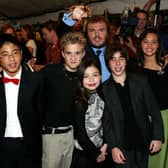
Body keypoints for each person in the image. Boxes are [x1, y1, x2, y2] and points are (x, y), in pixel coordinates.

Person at [102, 46, 164, 168]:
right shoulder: (104, 90)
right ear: (108, 64)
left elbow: (154, 110)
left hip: (144, 143)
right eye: (113, 59)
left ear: (126, 61)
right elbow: (107, 123)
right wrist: (113, 147)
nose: (117, 63)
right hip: (122, 148)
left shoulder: (141, 81)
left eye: (121, 58)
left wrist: (158, 137)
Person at [41, 32, 86, 168]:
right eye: (69, 53)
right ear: (62, 54)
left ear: (83, 54)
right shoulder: (49, 72)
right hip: (52, 136)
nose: (73, 58)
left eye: (77, 53)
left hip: (72, 136)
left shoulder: (84, 76)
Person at [0, 34, 43, 168]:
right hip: (2, 147)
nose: (11, 58)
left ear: (21, 54)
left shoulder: (36, 80)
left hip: (29, 145)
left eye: (15, 52)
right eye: (5, 54)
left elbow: (42, 112)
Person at [138, 28, 168, 168]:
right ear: (140, 44)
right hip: (143, 119)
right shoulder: (134, 67)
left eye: (154, 42)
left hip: (166, 117)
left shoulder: (166, 66)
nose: (149, 46)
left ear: (159, 45)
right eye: (146, 42)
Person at [71, 58, 107, 168]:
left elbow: (106, 123)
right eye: (86, 76)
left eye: (95, 75)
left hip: (101, 149)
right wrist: (96, 154)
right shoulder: (79, 102)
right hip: (84, 154)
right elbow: (80, 134)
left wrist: (105, 144)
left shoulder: (101, 95)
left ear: (101, 76)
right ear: (81, 79)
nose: (91, 80)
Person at [62, 5, 111, 82]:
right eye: (92, 31)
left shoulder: (115, 52)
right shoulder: (80, 53)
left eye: (101, 30)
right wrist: (71, 18)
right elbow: (65, 37)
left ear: (107, 33)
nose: (97, 35)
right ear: (86, 34)